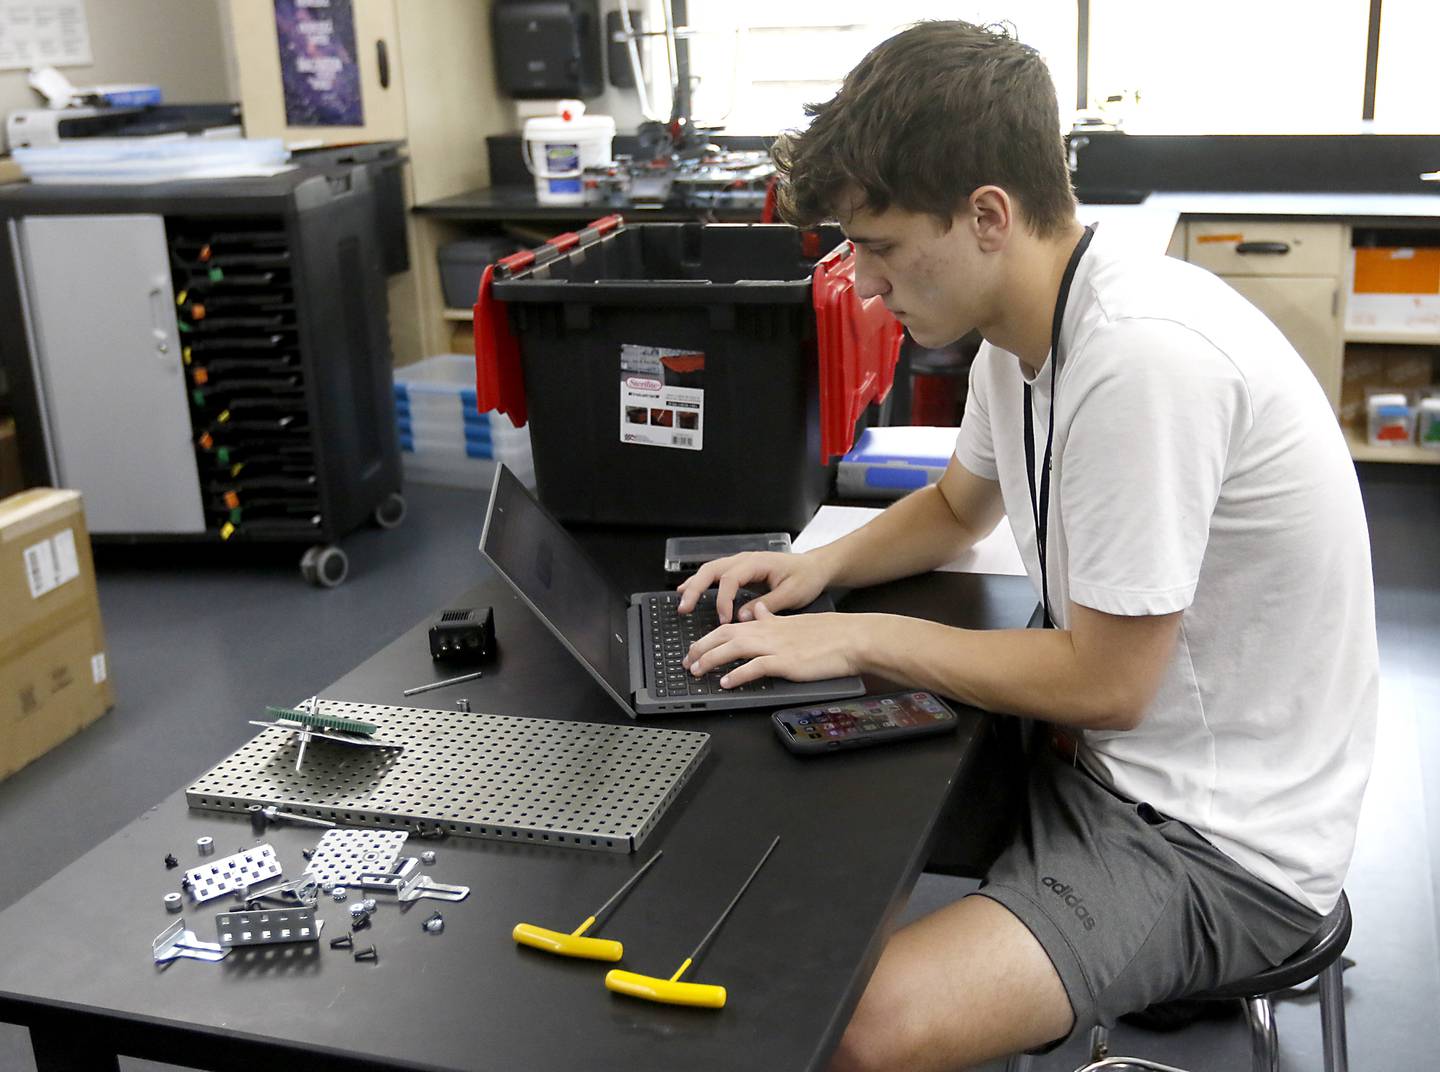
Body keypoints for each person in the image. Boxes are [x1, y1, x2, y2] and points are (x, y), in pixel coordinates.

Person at [674, 19, 1378, 1071]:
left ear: (987, 217)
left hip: (1216, 843)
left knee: (857, 1028)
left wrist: (857, 638)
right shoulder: (1023, 331)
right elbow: (962, 506)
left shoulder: (1142, 360)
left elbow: (1106, 683)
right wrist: (816, 568)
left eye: (876, 244)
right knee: (787, 840)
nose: (862, 285)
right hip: (1105, 767)